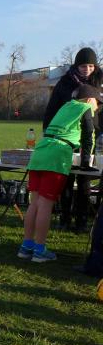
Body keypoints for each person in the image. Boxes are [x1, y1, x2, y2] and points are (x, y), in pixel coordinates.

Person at [18, 85, 100, 263]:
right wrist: (86, 163)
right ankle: (40, 250)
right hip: (56, 155)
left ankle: (26, 246)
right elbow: (89, 136)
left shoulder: (66, 106)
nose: (97, 108)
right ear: (89, 99)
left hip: (40, 151)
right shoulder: (85, 108)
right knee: (45, 205)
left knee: (35, 203)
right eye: (97, 103)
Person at [43, 47, 103, 232]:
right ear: (76, 66)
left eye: (91, 66)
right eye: (83, 66)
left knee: (85, 179)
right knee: (66, 177)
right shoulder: (65, 83)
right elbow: (52, 108)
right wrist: (47, 132)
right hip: (66, 137)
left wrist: (97, 104)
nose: (87, 70)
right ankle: (65, 218)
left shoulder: (99, 82)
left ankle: (82, 220)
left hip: (90, 136)